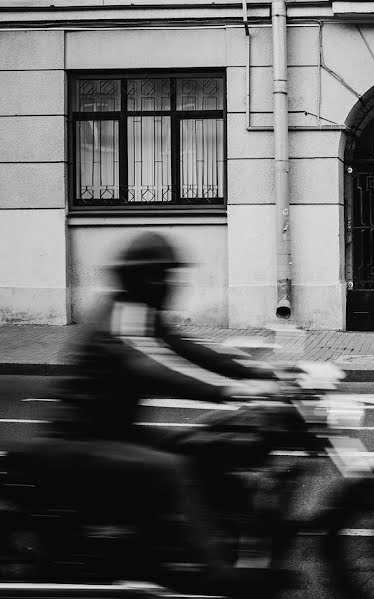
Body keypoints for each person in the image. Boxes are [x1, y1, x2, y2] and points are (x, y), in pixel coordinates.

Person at [40, 231, 281, 596]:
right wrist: (229, 391)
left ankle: (181, 543)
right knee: (173, 468)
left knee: (196, 447)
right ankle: (217, 574)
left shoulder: (137, 313)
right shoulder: (116, 321)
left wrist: (263, 372)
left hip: (115, 433)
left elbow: (191, 349)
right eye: (161, 275)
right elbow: (150, 369)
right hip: (81, 442)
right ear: (141, 278)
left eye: (170, 275)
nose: (169, 284)